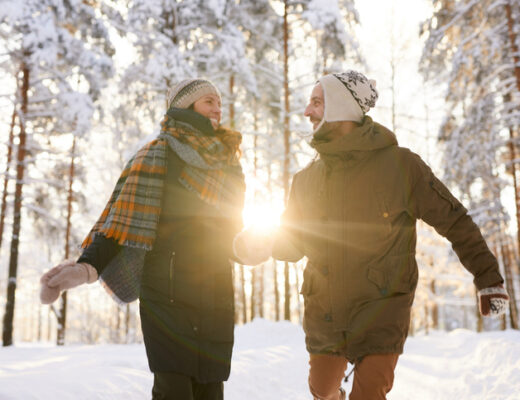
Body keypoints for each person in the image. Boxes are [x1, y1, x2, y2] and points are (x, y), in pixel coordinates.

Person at [234, 70, 510, 400]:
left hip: (382, 305)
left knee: (369, 394)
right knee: (321, 389)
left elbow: (455, 220)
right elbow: (294, 242)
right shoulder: (306, 179)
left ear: (341, 108)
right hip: (326, 308)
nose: (307, 111)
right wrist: (255, 245)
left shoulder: (402, 166)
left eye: (317, 102)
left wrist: (488, 277)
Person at [40, 78, 246, 400]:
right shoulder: (154, 156)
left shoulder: (228, 164)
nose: (217, 108)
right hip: (167, 295)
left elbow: (235, 232)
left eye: (219, 102)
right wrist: (86, 268)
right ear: (184, 105)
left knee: (210, 389)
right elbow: (120, 224)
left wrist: (251, 247)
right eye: (209, 101)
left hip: (215, 293)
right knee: (173, 389)